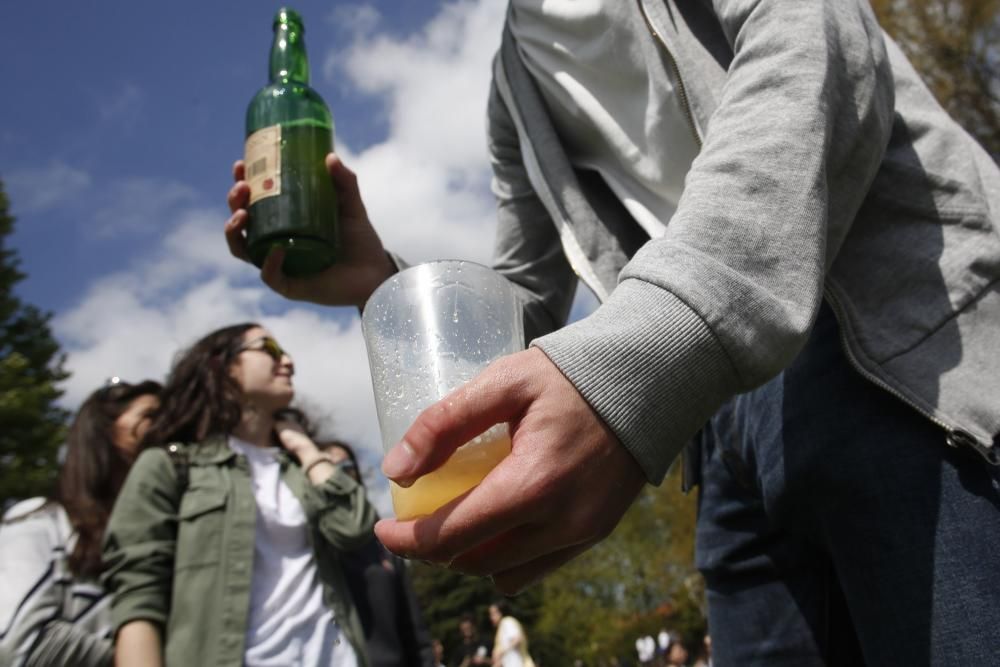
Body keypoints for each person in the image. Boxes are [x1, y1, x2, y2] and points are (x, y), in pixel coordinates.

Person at [225, 0, 1000, 663]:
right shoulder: (515, 79)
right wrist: (381, 282)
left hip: (884, 332)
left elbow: (816, 48)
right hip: (715, 410)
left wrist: (657, 344)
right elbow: (524, 298)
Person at [101, 324, 377, 666]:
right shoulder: (169, 465)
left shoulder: (298, 466)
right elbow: (138, 595)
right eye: (270, 349)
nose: (288, 361)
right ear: (225, 365)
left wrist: (305, 448)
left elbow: (355, 529)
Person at [0, 378, 161, 667]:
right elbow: (17, 641)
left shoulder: (158, 539)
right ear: (104, 431)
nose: (166, 428)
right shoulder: (42, 521)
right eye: (151, 415)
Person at [322, 439, 437, 667]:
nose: (341, 475)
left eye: (347, 467)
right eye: (331, 468)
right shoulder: (310, 546)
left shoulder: (382, 543)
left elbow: (414, 630)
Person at [488, 601, 534, 667]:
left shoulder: (507, 621)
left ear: (501, 612)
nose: (491, 617)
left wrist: (501, 652)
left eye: (493, 613)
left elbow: (517, 639)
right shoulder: (502, 626)